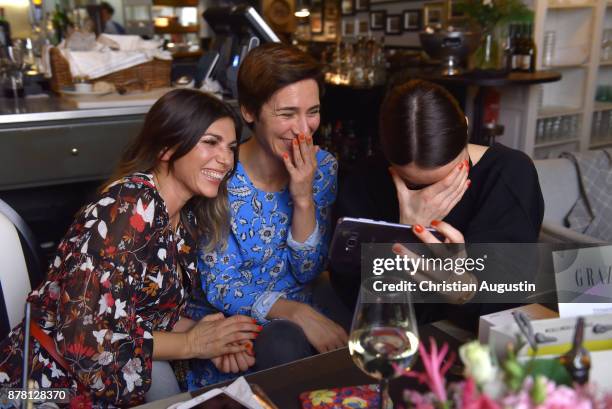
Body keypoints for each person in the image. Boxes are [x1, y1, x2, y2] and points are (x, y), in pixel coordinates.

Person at [0, 89, 260, 406]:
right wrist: (192, 344)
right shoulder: (124, 209)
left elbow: (135, 312)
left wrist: (208, 335)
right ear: (167, 147)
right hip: (41, 388)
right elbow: (83, 337)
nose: (226, 159)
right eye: (210, 143)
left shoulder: (185, 215)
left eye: (231, 147)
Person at [183, 43, 348, 390]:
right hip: (232, 325)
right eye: (287, 114)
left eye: (313, 112)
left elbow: (310, 270)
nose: (304, 130)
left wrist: (303, 197)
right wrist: (293, 312)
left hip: (306, 314)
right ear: (249, 111)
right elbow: (221, 284)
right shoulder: (219, 173)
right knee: (285, 345)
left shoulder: (323, 167)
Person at [331, 80, 545, 324]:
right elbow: (358, 298)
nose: (433, 194)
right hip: (395, 332)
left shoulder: (509, 173)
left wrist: (465, 289)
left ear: (465, 127)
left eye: (451, 177)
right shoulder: (365, 179)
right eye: (413, 183)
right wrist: (406, 232)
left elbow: (512, 292)